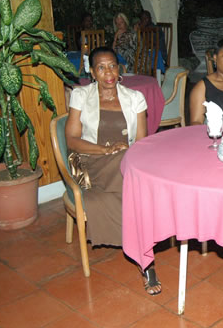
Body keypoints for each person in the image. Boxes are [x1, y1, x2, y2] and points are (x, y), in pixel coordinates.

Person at [65, 46, 161, 296]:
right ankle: (147, 253)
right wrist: (103, 150)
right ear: (92, 72)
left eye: (113, 66)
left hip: (123, 162)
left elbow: (140, 142)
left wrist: (120, 153)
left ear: (120, 70)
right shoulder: (80, 95)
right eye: (101, 67)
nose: (108, 72)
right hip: (88, 161)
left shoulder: (134, 98)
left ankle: (145, 258)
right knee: (133, 176)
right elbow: (72, 140)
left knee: (129, 164)